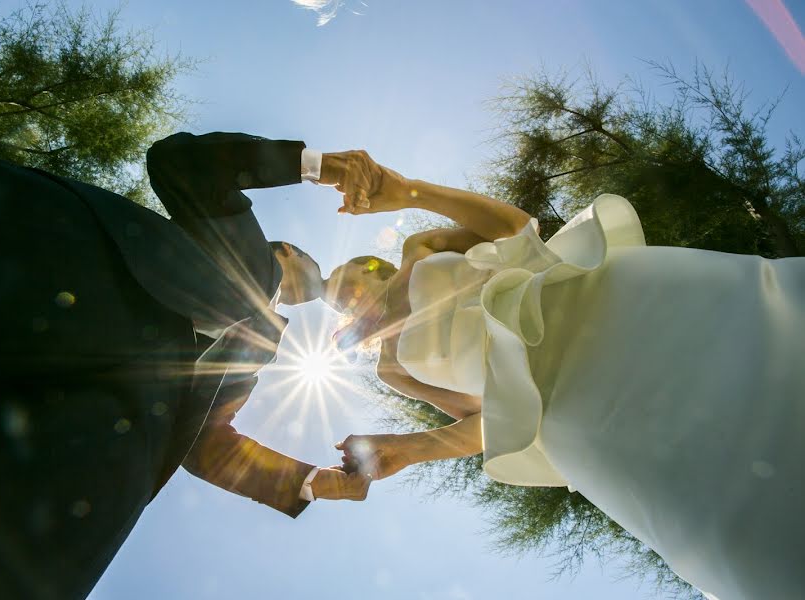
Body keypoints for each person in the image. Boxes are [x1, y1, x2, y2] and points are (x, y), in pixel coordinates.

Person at [0, 132, 372, 599]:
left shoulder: (261, 350)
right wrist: (319, 166)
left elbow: (208, 445)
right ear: (287, 250)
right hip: (52, 266)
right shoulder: (234, 229)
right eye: (309, 254)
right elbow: (181, 162)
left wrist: (308, 481)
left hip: (104, 434)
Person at [325, 153, 805, 600]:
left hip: (602, 304)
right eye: (341, 305)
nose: (351, 302)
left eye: (351, 286)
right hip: (574, 411)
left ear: (373, 266)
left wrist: (409, 190)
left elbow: (516, 230)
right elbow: (487, 420)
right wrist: (409, 449)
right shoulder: (392, 370)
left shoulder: (418, 250)